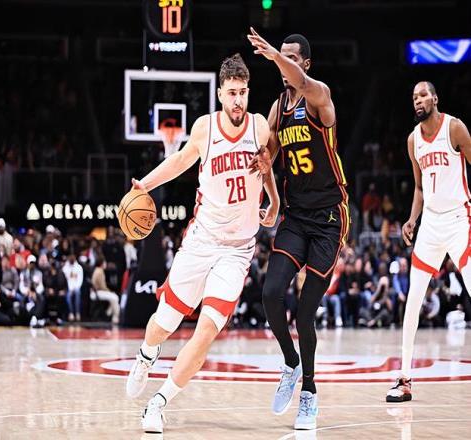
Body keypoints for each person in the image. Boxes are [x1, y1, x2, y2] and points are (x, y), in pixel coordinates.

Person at [125, 53, 279, 434]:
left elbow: (267, 164)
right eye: (232, 93)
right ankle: (146, 355)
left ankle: (159, 402)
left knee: (206, 331)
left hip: (238, 249)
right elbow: (179, 162)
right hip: (202, 240)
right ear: (220, 94)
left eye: (243, 92)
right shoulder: (204, 129)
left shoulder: (259, 127)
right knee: (165, 321)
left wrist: (274, 201)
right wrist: (145, 184)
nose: (238, 100)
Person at [247, 28, 349, 429]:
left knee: (306, 314)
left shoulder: (319, 95)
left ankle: (309, 393)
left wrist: (274, 54)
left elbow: (304, 84)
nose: (283, 61)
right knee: (271, 294)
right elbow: (269, 156)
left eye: (291, 57)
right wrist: (267, 183)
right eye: (281, 56)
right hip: (296, 215)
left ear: (305, 63)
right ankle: (291, 363)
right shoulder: (277, 108)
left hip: (328, 218)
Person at [386, 81, 471, 403]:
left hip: (459, 219)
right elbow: (420, 188)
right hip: (431, 224)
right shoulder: (413, 140)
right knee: (413, 301)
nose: (418, 100)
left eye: (422, 95)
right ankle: (404, 378)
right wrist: (412, 219)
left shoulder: (455, 128)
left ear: (435, 98)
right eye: (414, 97)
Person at [91, 257, 120, 325]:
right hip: (97, 292)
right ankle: (115, 317)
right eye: (104, 263)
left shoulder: (97, 270)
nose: (105, 264)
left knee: (113, 298)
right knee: (115, 297)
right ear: (102, 263)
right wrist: (109, 291)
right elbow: (102, 286)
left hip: (97, 291)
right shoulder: (100, 271)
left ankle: (108, 314)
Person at [62, 253, 83, 321]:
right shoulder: (65, 267)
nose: (71, 258)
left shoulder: (79, 267)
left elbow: (80, 280)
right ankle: (71, 312)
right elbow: (65, 280)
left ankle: (77, 312)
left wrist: (75, 287)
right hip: (68, 287)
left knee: (77, 292)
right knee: (68, 296)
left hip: (76, 287)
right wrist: (70, 288)